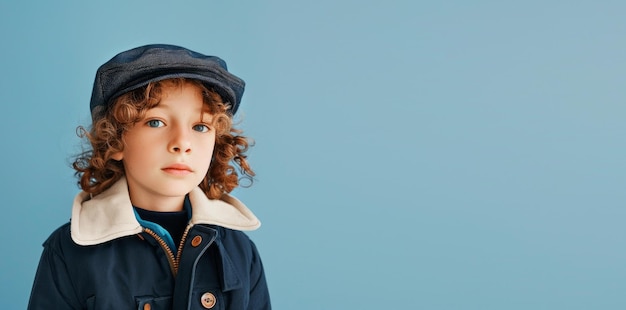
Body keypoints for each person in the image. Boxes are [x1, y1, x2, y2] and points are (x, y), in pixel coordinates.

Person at [28, 44, 271, 309]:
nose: (182, 143)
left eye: (200, 126)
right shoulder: (68, 251)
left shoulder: (241, 251)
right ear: (116, 140)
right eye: (156, 122)